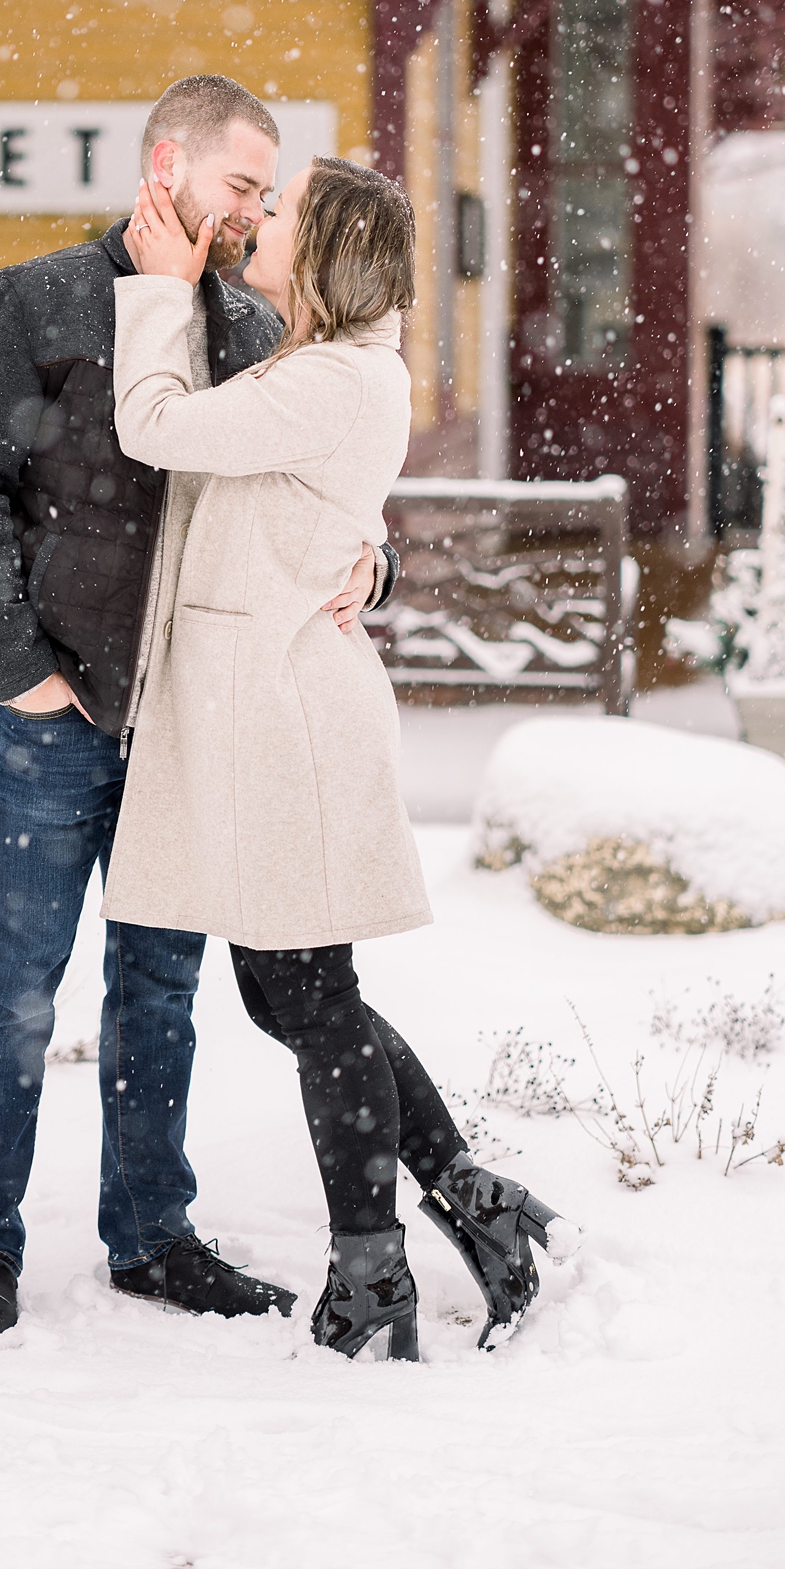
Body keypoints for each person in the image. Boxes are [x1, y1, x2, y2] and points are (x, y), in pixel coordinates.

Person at [0, 77, 398, 1348]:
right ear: (166, 165)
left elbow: (318, 477)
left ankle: (150, 1236)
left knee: (159, 990)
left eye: (265, 194)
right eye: (241, 185)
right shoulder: (25, 305)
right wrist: (19, 669)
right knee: (15, 987)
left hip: (186, 720)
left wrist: (372, 561)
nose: (252, 212)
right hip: (49, 719)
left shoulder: (251, 328)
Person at [105, 156, 580, 1361]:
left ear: (322, 251)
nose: (259, 220)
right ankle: (471, 1203)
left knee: (307, 999)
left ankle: (372, 1269)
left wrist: (159, 287)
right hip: (274, 708)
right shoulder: (328, 367)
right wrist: (363, 550)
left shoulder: (330, 377)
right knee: (297, 994)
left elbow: (151, 425)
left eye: (283, 208)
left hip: (287, 725)